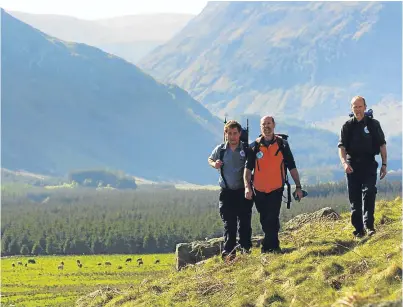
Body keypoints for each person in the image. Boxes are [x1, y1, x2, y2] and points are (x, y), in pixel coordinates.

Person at [244, 115, 303, 253]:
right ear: (261, 127)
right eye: (264, 124)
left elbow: (292, 166)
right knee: (265, 219)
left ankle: (268, 248)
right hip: (258, 189)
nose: (267, 126)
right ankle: (274, 246)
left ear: (274, 125)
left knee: (272, 217)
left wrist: (298, 186)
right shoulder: (254, 146)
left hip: (276, 188)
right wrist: (247, 187)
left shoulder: (282, 144)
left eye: (269, 123)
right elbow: (247, 169)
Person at [338, 95, 387, 238]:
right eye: (355, 107)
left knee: (369, 192)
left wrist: (384, 164)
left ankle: (369, 226)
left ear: (365, 107)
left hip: (369, 163)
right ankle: (358, 230)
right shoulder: (347, 126)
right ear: (351, 108)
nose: (358, 110)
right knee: (355, 199)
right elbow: (341, 147)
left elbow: (382, 144)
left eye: (360, 107)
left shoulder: (373, 124)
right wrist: (344, 163)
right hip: (352, 164)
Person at [208, 120, 253, 259]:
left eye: (235, 133)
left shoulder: (246, 150)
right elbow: (210, 159)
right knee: (229, 223)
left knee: (245, 223)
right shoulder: (220, 150)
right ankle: (229, 253)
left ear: (240, 134)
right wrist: (214, 164)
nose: (232, 136)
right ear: (225, 134)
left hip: (243, 191)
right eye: (229, 133)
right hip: (226, 193)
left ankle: (246, 250)